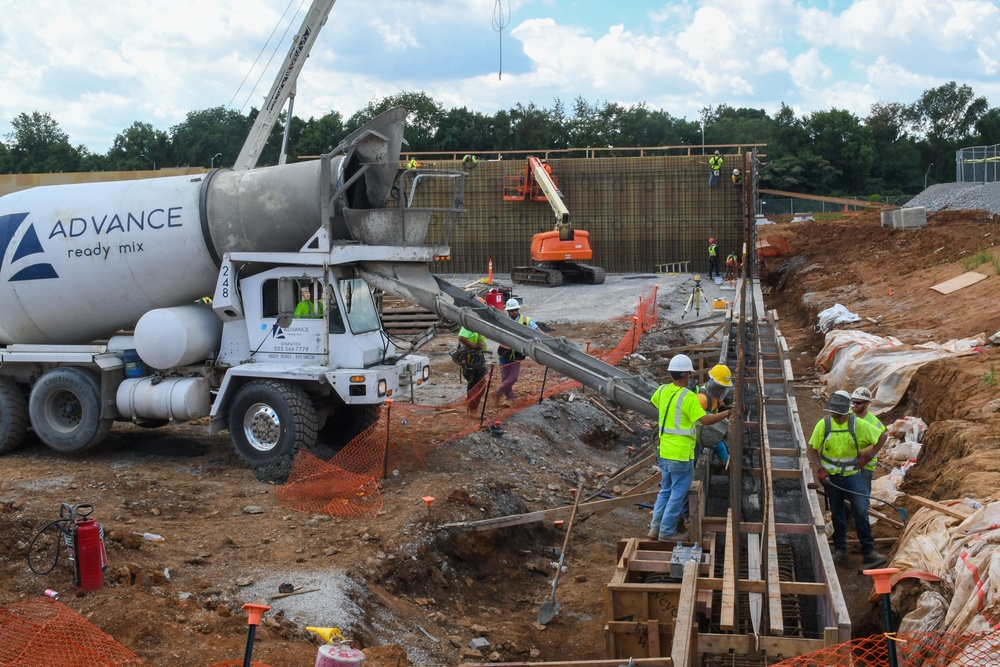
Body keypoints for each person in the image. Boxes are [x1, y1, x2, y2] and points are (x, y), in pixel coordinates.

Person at [648, 354, 732, 542]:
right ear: (686, 374)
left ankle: (654, 529)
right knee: (678, 493)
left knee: (666, 490)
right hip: (681, 453)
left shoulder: (662, 390)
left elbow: (652, 402)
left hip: (664, 450)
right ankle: (667, 532)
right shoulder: (688, 397)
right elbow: (705, 420)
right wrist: (727, 413)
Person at [807, 390, 888, 566]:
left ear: (844, 410)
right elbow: (812, 448)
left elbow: (882, 436)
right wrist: (821, 469)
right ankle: (840, 550)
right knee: (837, 514)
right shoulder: (825, 424)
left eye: (836, 411)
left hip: (852, 476)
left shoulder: (857, 424)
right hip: (832, 478)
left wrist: (869, 455)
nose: (833, 414)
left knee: (860, 511)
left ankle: (869, 551)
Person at [494, 299, 538, 403]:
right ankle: (510, 398)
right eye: (512, 310)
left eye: (516, 310)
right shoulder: (504, 320)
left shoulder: (525, 320)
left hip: (517, 354)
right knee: (505, 379)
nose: (514, 312)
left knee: (513, 377)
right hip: (504, 354)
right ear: (508, 311)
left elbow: (537, 330)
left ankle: (497, 393)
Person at [696, 364, 732, 466]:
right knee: (719, 446)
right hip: (698, 431)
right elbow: (697, 421)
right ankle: (726, 466)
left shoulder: (715, 396)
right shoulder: (702, 400)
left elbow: (719, 408)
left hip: (709, 427)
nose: (722, 391)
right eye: (720, 388)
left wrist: (731, 409)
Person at [850, 387, 885, 495]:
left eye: (858, 403)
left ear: (866, 404)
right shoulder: (848, 416)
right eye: (853, 402)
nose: (854, 405)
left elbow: (881, 439)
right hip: (849, 461)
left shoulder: (873, 422)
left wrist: (865, 456)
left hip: (866, 464)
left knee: (862, 495)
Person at [456, 326, 488, 413]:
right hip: (471, 359)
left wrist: (482, 348)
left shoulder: (477, 326)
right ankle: (472, 410)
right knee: (478, 385)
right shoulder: (469, 324)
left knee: (474, 385)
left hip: (476, 358)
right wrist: (474, 346)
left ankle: (471, 409)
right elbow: (461, 337)